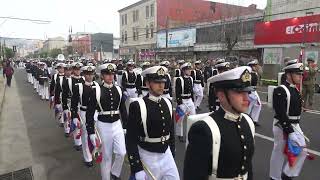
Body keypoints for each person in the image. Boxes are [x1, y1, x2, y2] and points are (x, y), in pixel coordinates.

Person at [184, 66, 255, 180]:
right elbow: (193, 175)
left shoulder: (248, 122)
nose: (247, 98)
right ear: (221, 96)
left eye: (248, 92)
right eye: (239, 92)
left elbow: (247, 168)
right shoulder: (203, 129)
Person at [127, 66, 179, 180]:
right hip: (147, 155)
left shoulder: (168, 102)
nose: (161, 85)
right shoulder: (137, 106)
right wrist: (137, 167)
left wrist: (172, 152)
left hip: (166, 154)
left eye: (163, 82)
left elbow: (171, 131)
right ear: (147, 83)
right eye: (157, 82)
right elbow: (130, 139)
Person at [86, 63, 128, 180]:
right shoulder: (96, 90)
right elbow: (89, 114)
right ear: (102, 76)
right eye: (107, 74)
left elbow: (123, 109)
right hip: (103, 126)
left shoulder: (119, 90)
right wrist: (91, 132)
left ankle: (115, 172)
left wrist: (125, 126)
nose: (110, 76)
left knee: (121, 153)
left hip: (117, 125)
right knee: (106, 157)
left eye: (112, 74)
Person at [270, 60, 307, 180]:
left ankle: (287, 175)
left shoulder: (295, 89)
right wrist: (290, 131)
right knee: (279, 152)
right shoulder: (280, 90)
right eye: (297, 74)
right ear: (288, 74)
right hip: (282, 125)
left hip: (295, 125)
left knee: (302, 151)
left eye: (301, 74)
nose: (300, 77)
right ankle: (274, 177)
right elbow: (280, 113)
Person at [70, 65, 97, 167]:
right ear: (84, 75)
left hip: (95, 113)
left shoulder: (97, 86)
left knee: (96, 135)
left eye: (91, 74)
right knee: (85, 135)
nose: (90, 76)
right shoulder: (79, 87)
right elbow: (73, 103)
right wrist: (75, 117)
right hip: (84, 113)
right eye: (87, 74)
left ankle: (94, 151)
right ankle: (88, 158)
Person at [175, 62, 196, 142]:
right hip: (182, 101)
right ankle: (180, 134)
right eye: (188, 69)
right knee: (180, 119)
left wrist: (192, 101)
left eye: (190, 69)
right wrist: (179, 103)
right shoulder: (179, 80)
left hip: (189, 100)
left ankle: (192, 133)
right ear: (184, 71)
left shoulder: (191, 78)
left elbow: (191, 91)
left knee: (193, 117)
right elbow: (177, 92)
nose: (190, 71)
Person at [247, 59, 262, 126]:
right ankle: (247, 120)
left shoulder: (255, 73)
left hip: (253, 91)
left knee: (258, 105)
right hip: (249, 92)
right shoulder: (248, 74)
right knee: (248, 107)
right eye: (255, 66)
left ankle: (254, 120)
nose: (256, 67)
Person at [50, 62, 65, 127]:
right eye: (59, 68)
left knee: (66, 108)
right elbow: (52, 86)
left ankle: (66, 121)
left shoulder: (67, 75)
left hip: (65, 94)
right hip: (58, 94)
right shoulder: (55, 76)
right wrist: (52, 95)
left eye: (61, 68)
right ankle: (61, 121)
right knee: (59, 108)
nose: (60, 69)